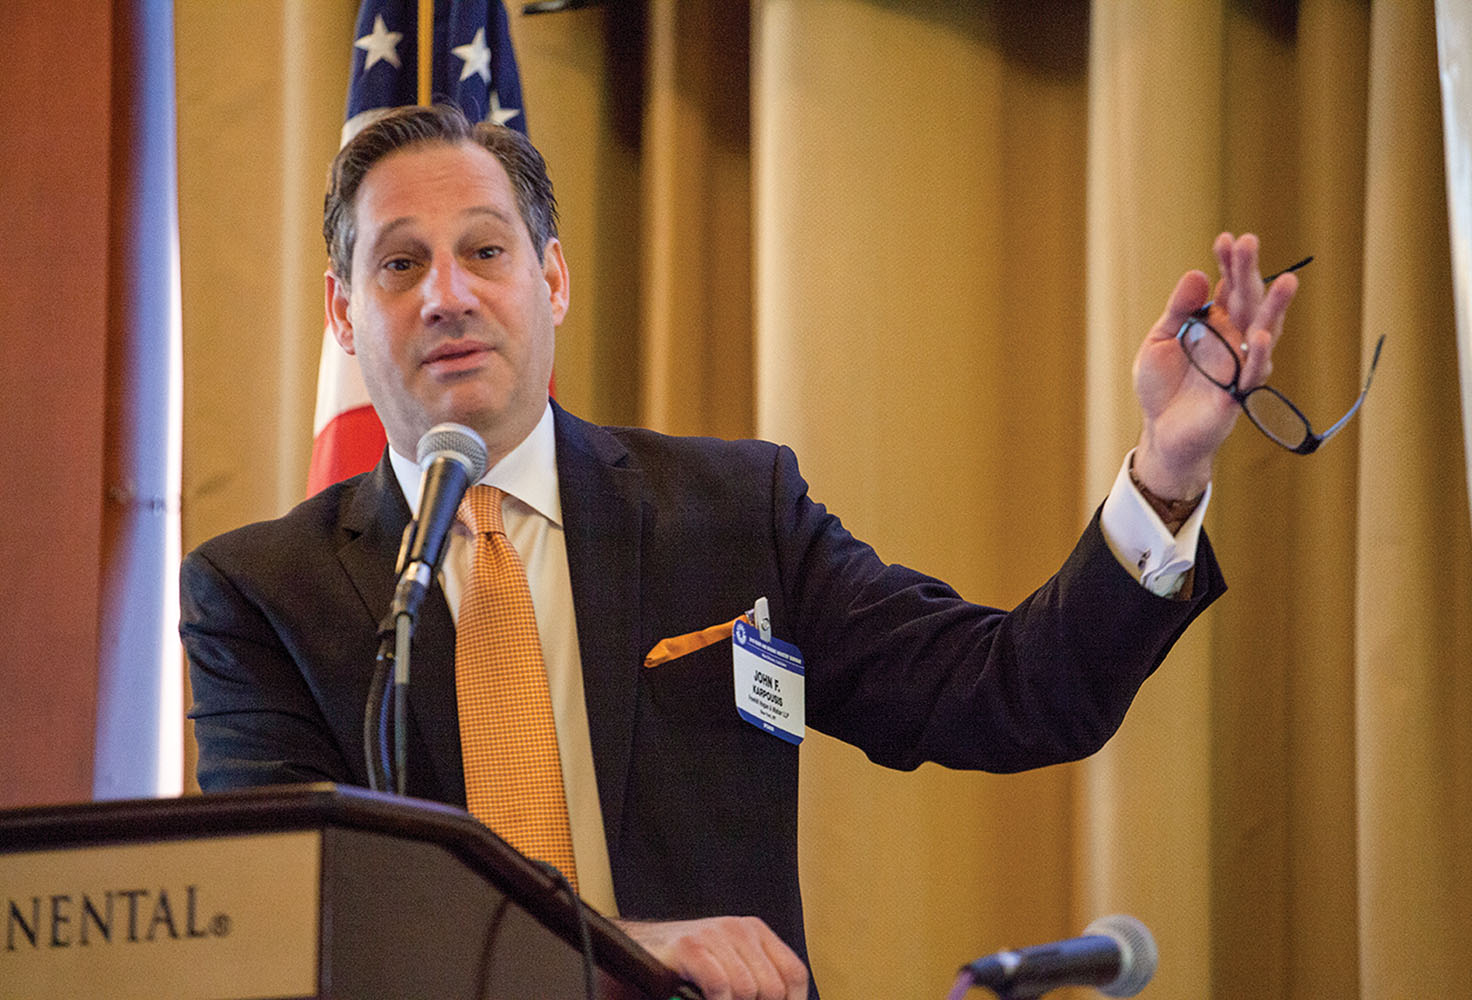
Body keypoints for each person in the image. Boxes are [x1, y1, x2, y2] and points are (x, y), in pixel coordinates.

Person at [180, 103, 1297, 1000]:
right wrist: (624, 947)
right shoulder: (258, 595)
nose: (450, 297)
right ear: (341, 310)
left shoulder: (730, 512)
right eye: (400, 265)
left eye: (484, 250)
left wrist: (1167, 470)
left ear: (553, 279)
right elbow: (297, 929)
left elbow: (1009, 691)